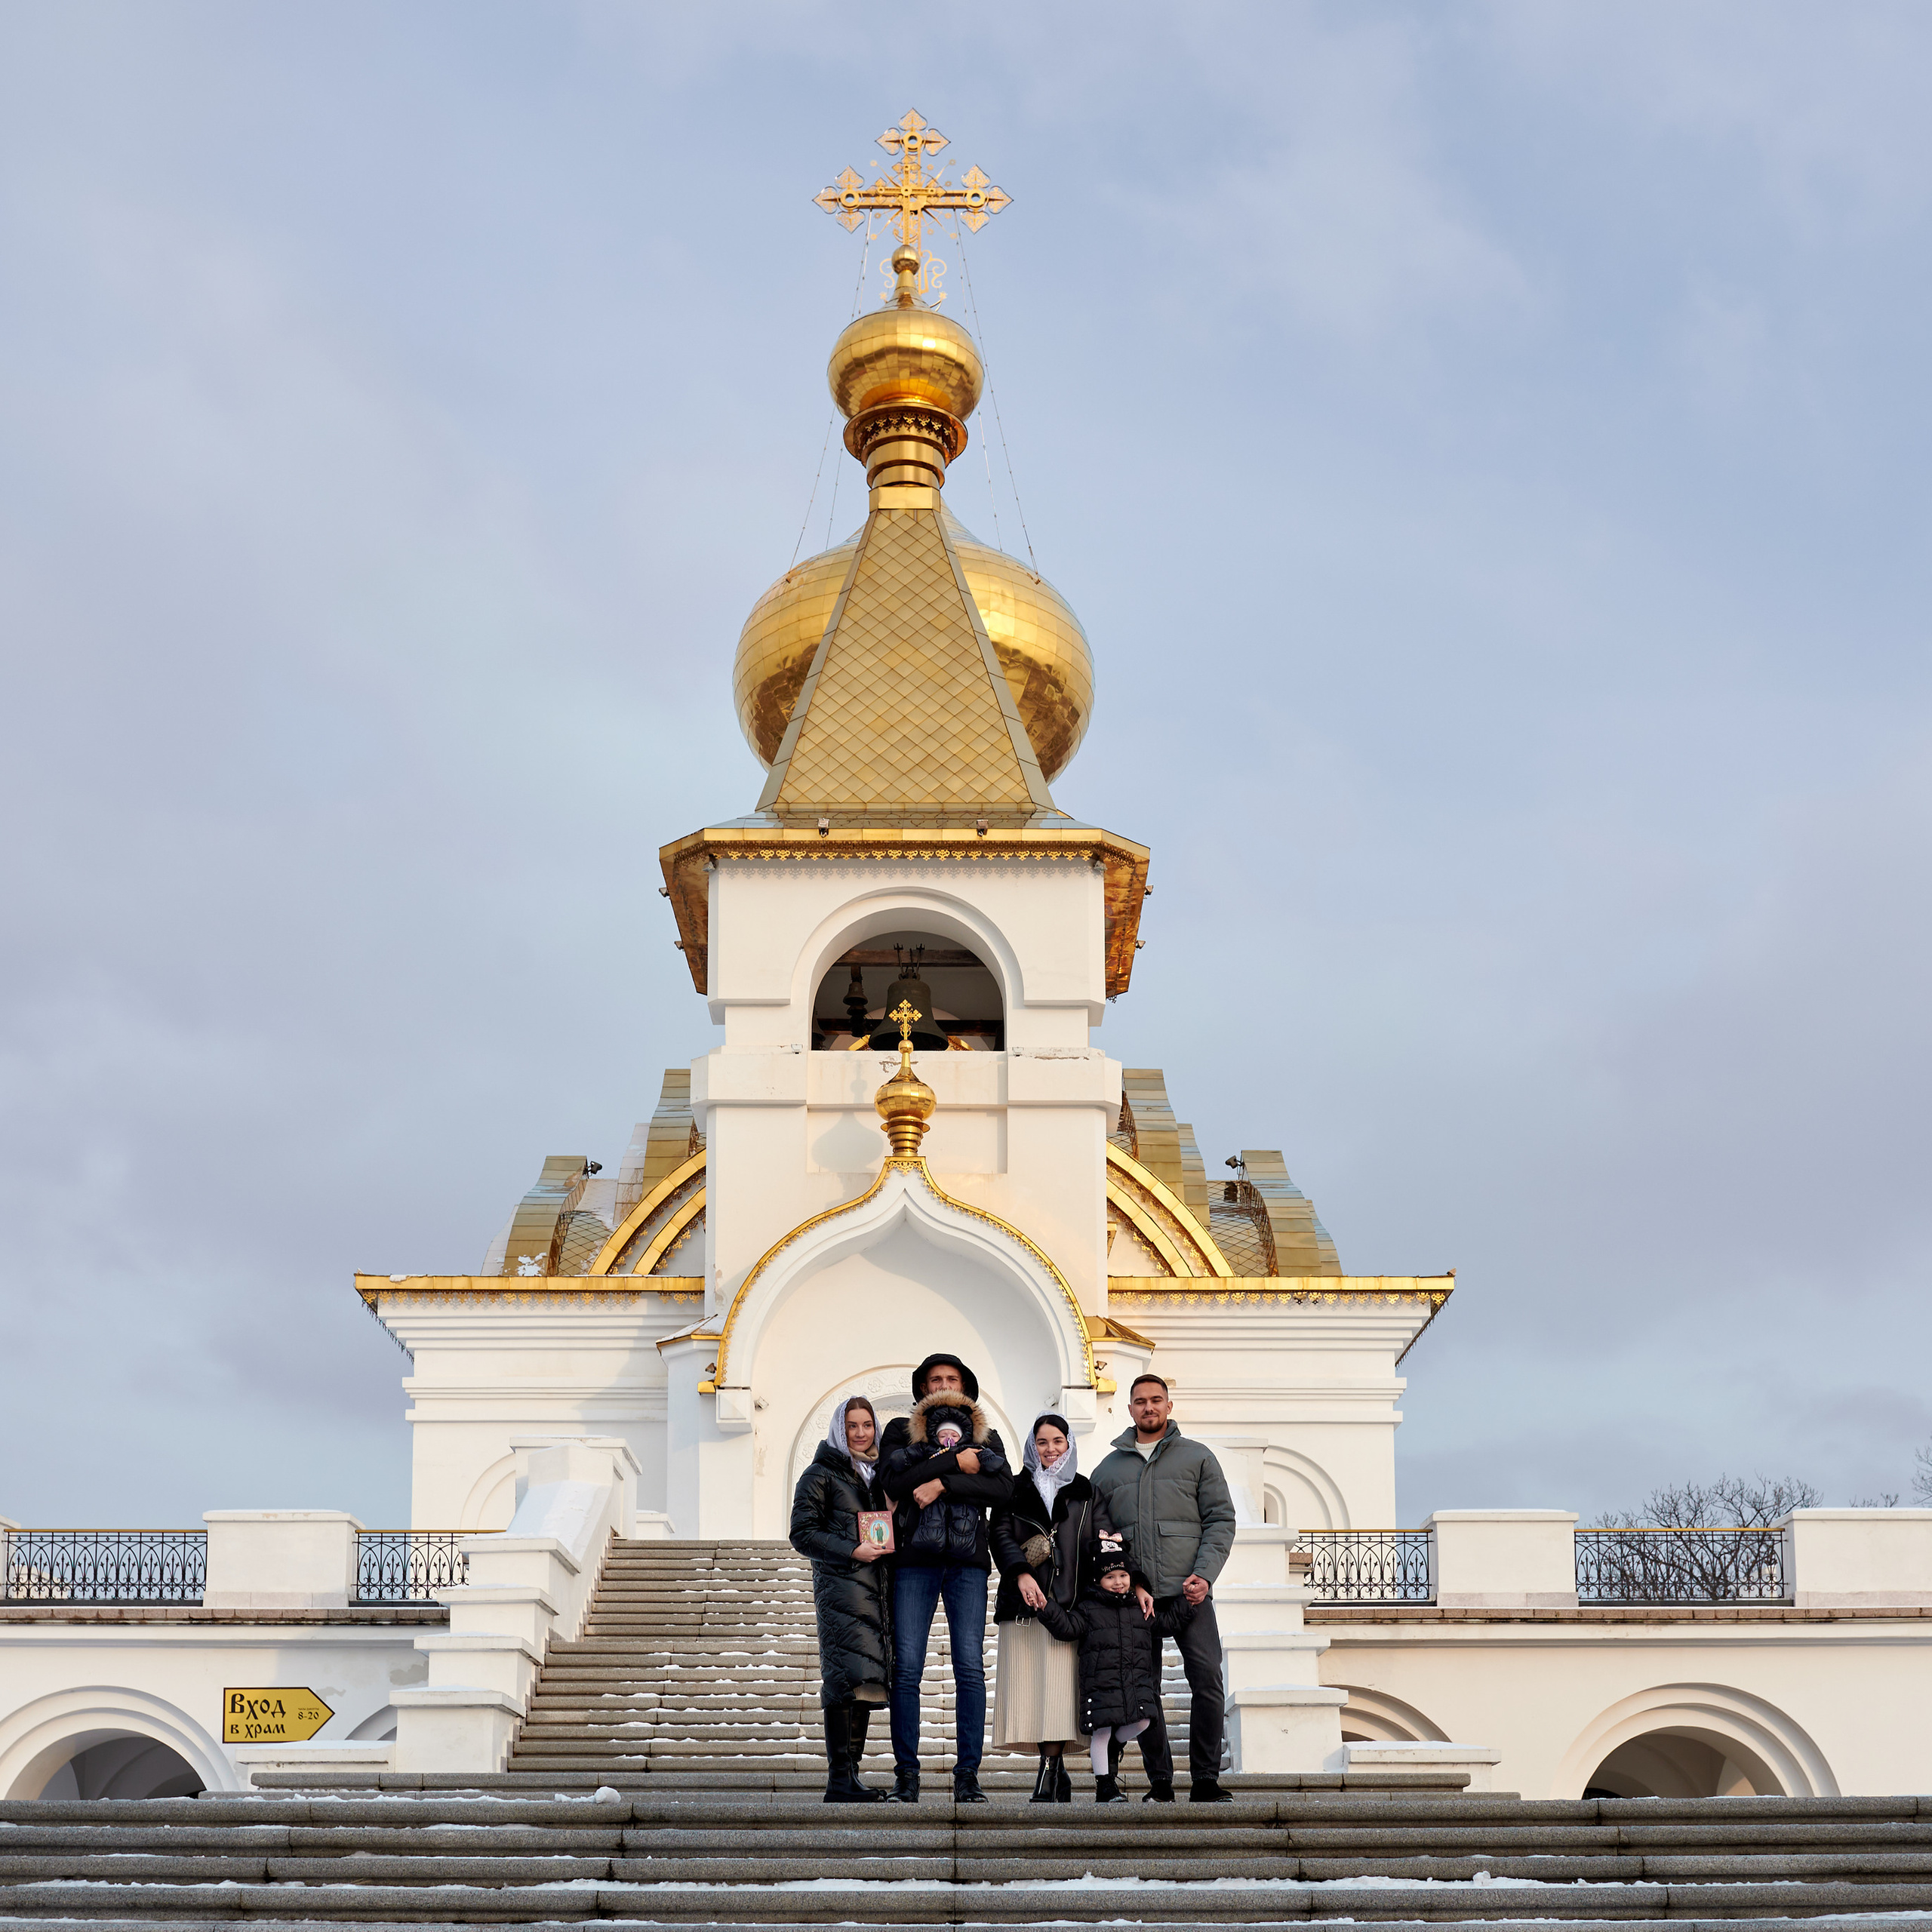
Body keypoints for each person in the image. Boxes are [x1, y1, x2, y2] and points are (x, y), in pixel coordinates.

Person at [1089, 1373, 1238, 1802]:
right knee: (1143, 1692)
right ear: (1129, 1409)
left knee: (1208, 1679)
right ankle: (1160, 1783)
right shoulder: (1108, 1470)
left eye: (1157, 1400)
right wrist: (1128, 1582)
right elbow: (1101, 1538)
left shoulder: (1198, 1458)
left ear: (1169, 1406)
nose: (1148, 1407)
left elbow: (1220, 1520)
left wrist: (1204, 1576)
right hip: (1137, 1601)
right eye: (1140, 1401)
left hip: (1191, 1593)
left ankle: (1206, 1780)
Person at [878, 1352, 1014, 1803]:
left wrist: (942, 1484)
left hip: (967, 1564)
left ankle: (968, 1775)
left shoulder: (984, 1434)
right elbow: (896, 1484)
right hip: (914, 1561)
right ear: (922, 1388)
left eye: (951, 1378)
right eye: (934, 1379)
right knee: (908, 1668)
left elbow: (1002, 1489)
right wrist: (959, 1464)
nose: (942, 1385)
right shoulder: (901, 1430)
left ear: (964, 1386)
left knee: (970, 1669)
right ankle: (907, 1774)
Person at [990, 1411, 1112, 1802]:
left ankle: (1050, 1772)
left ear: (1069, 1444)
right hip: (1023, 1605)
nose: (1050, 1449)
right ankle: (1054, 1773)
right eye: (1042, 1442)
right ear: (1032, 1445)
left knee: (1059, 1694)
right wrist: (1021, 1574)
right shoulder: (1013, 1487)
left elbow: (1100, 1542)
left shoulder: (1084, 1490)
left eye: (1057, 1441)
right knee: (1032, 1691)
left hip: (1067, 1606)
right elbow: (1000, 1535)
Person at [787, 1394, 893, 1803]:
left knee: (864, 1684)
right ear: (839, 1429)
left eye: (867, 1426)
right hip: (843, 1590)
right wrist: (851, 1550)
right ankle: (839, 1779)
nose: (861, 1434)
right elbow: (802, 1533)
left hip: (877, 1590)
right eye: (853, 1426)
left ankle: (849, 1778)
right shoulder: (821, 1474)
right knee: (844, 1682)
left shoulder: (875, 1474)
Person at [1035, 1538, 1197, 1803]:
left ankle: (1115, 1746)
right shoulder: (1089, 1609)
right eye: (1110, 1576)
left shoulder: (1140, 1607)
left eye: (1123, 1575)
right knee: (1102, 1732)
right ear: (1098, 1580)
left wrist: (1187, 1603)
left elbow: (1166, 1623)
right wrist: (1046, 1608)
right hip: (1100, 1685)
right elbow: (1066, 1627)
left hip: (1134, 1686)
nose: (1119, 1581)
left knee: (1144, 1721)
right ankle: (1105, 1786)